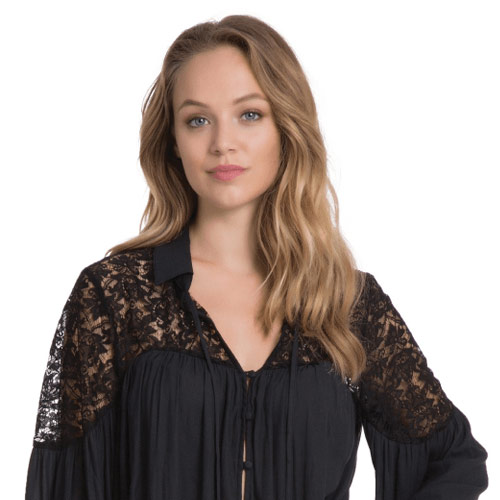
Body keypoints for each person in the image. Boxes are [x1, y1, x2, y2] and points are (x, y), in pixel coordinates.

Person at [25, 14, 488, 500]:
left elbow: (454, 461)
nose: (222, 143)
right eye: (198, 120)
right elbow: (63, 486)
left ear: (285, 127)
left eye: (249, 114)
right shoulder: (115, 296)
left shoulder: (346, 302)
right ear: (174, 142)